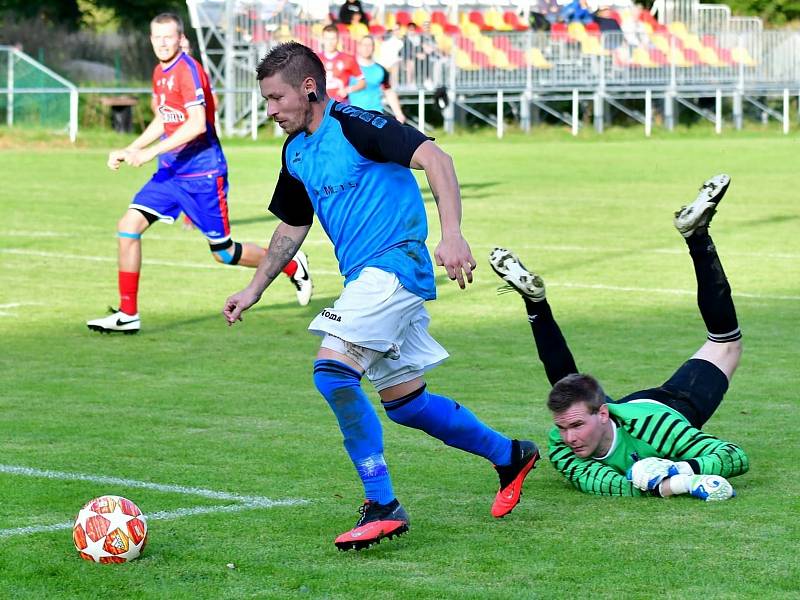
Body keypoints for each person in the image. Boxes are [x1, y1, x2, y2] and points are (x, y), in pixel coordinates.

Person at [222, 41, 540, 551]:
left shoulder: (357, 125)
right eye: (266, 101)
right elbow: (292, 225)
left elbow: (436, 157)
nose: (271, 110)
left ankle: (383, 502)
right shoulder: (296, 151)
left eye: (277, 98)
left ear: (309, 87)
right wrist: (254, 287)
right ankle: (510, 455)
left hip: (394, 268)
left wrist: (452, 233)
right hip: (368, 283)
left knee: (331, 369)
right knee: (406, 404)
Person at [490, 174, 749, 500]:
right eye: (563, 427)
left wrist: (677, 470)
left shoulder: (660, 431)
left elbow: (734, 456)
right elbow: (600, 483)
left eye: (575, 427)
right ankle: (535, 302)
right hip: (627, 417)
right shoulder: (560, 444)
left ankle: (698, 237)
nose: (568, 438)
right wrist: (670, 487)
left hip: (667, 411)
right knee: (571, 389)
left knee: (726, 342)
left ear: (603, 414)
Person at [87, 13, 313, 335]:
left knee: (224, 253)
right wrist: (132, 147)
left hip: (202, 175)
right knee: (128, 227)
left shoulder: (188, 70)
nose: (162, 43)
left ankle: (291, 264)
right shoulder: (159, 71)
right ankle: (128, 313)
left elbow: (195, 124)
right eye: (156, 37)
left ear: (180, 39)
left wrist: (148, 153)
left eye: (168, 37)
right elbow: (166, 120)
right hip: (170, 174)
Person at [347, 35, 406, 122]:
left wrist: (399, 113)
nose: (366, 48)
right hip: (353, 115)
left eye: (369, 45)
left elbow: (388, 91)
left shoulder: (381, 70)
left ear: (374, 48)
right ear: (359, 47)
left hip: (375, 115)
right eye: (364, 45)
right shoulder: (349, 68)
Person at [317, 24, 365, 103]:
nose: (330, 42)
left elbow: (362, 82)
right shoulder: (314, 59)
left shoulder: (348, 58)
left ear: (338, 39)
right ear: (322, 39)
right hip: (320, 105)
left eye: (333, 38)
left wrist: (347, 89)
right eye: (327, 39)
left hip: (341, 105)